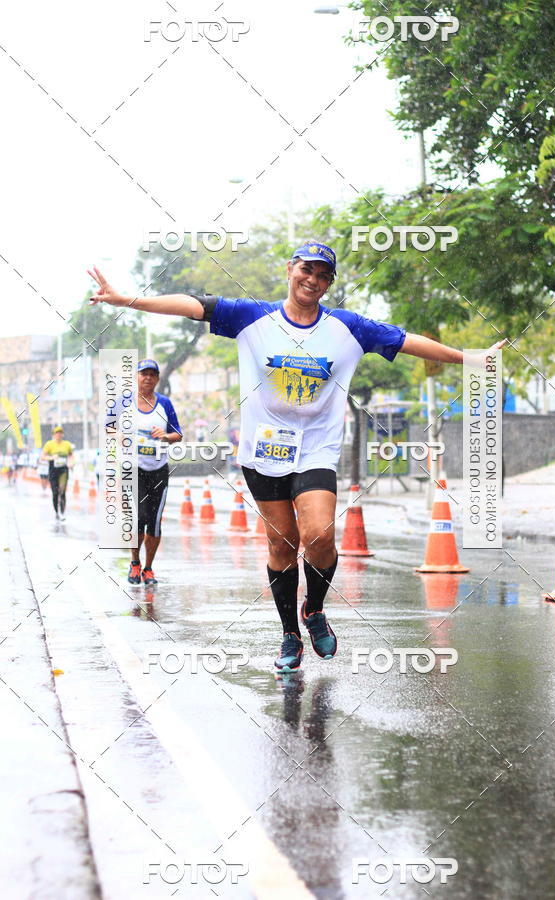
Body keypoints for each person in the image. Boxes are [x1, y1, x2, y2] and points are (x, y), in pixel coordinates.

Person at [88, 243, 505, 671]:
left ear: (329, 284)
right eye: (307, 269)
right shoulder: (252, 317)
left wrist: (467, 359)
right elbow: (193, 304)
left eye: (324, 275)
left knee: (320, 534)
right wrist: (127, 300)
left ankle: (315, 609)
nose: (313, 280)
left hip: (317, 449)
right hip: (262, 452)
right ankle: (289, 634)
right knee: (282, 544)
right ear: (290, 269)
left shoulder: (347, 327)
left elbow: (405, 340)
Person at [125, 359, 183, 586]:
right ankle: (134, 563)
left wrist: (165, 436)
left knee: (154, 522)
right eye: (143, 374)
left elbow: (178, 433)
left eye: (152, 374)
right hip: (134, 469)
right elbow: (110, 428)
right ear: (137, 377)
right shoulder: (125, 404)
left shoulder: (165, 404)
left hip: (159, 470)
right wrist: (121, 437)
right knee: (138, 519)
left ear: (157, 379)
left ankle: (148, 568)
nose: (147, 378)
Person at [41, 426, 74, 521]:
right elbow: (42, 457)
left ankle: (62, 512)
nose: (59, 434)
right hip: (53, 470)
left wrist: (71, 463)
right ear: (53, 435)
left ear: (62, 434)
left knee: (62, 491)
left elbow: (71, 456)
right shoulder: (49, 444)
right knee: (55, 492)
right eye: (57, 433)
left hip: (63, 470)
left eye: (60, 433)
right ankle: (57, 512)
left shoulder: (67, 444)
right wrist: (52, 458)